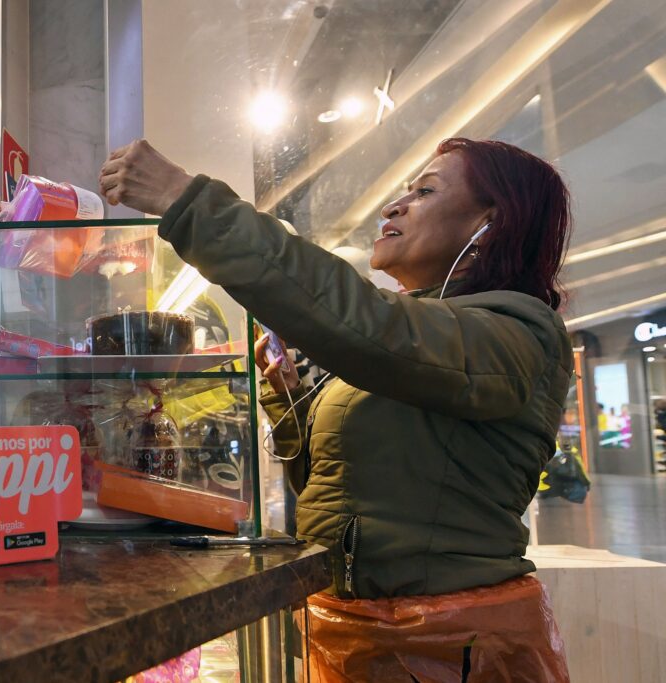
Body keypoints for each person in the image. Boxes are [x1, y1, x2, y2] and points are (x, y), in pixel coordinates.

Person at [99, 138, 572, 681]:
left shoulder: (521, 331)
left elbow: (375, 328)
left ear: (491, 222)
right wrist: (287, 398)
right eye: (403, 192)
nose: (395, 206)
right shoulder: (415, 339)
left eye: (425, 191)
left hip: (454, 648)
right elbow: (343, 489)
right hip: (361, 633)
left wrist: (189, 201)